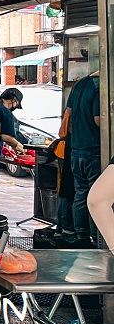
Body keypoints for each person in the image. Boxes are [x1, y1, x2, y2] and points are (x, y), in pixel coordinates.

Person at [62, 71, 101, 247]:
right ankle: (97, 236)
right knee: (96, 196)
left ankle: (82, 235)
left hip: (76, 149)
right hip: (93, 149)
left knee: (81, 193)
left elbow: (69, 111)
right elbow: (99, 119)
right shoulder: (99, 85)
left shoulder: (78, 85)